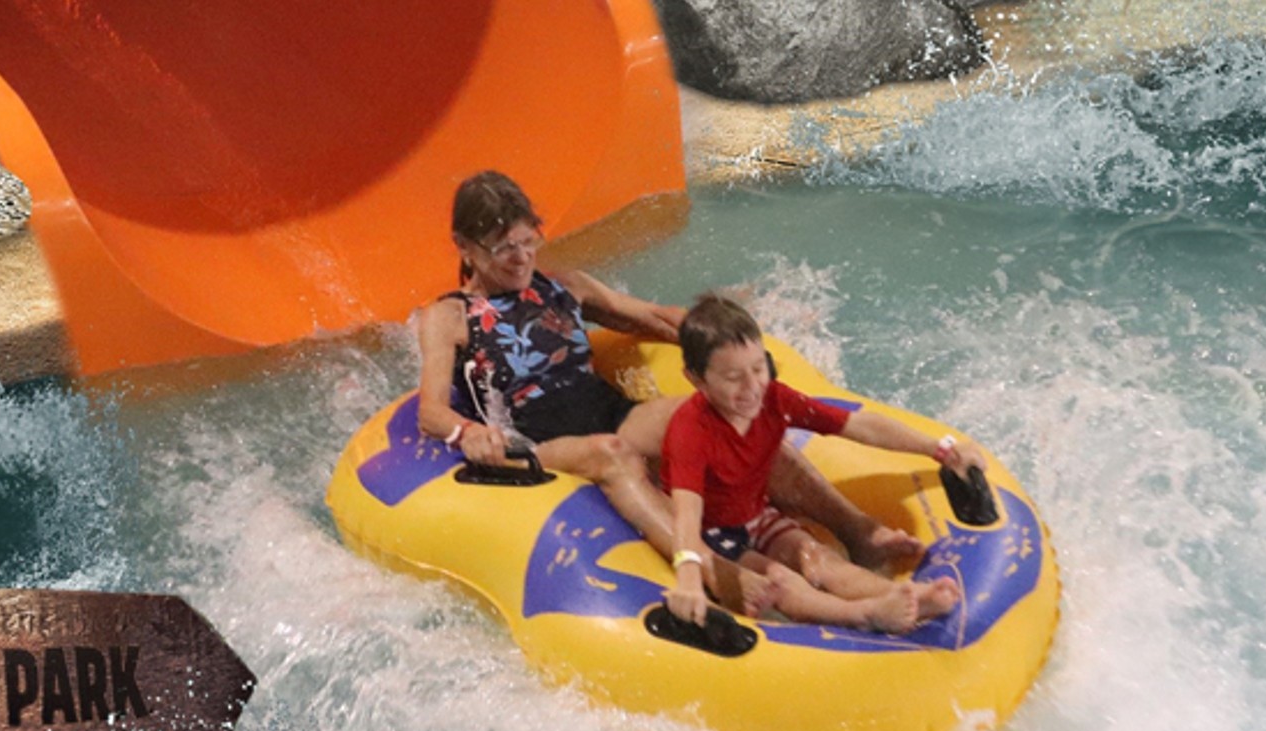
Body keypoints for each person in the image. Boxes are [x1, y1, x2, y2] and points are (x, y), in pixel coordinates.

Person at [414, 172, 921, 602]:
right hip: (536, 444)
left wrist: (727, 343)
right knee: (610, 453)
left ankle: (859, 530)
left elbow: (652, 318)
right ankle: (712, 572)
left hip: (610, 414)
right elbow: (431, 410)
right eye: (504, 248)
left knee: (711, 419)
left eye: (529, 241)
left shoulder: (564, 286)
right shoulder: (450, 316)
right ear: (464, 247)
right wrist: (467, 433)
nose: (521, 258)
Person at [662, 295, 977, 634]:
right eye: (733, 377)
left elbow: (859, 425)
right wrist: (690, 577)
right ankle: (863, 614)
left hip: (754, 515)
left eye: (758, 368)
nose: (752, 387)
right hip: (709, 534)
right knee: (778, 581)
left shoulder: (774, 400)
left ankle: (910, 597)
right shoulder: (691, 431)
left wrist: (940, 448)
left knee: (817, 557)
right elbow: (686, 512)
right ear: (696, 380)